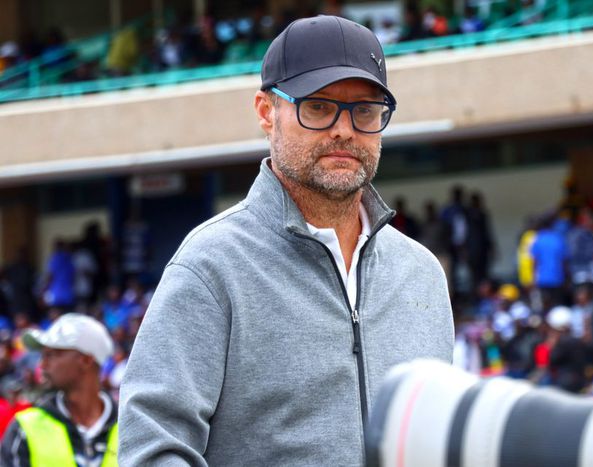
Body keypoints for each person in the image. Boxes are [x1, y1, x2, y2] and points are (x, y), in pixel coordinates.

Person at [118, 15, 454, 466]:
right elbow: (152, 450)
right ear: (266, 112)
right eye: (318, 106)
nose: (344, 129)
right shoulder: (211, 267)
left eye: (365, 110)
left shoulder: (421, 273)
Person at [1, 313, 117, 466]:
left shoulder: (131, 426)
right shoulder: (24, 428)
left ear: (86, 360)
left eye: (51, 355)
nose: (41, 365)